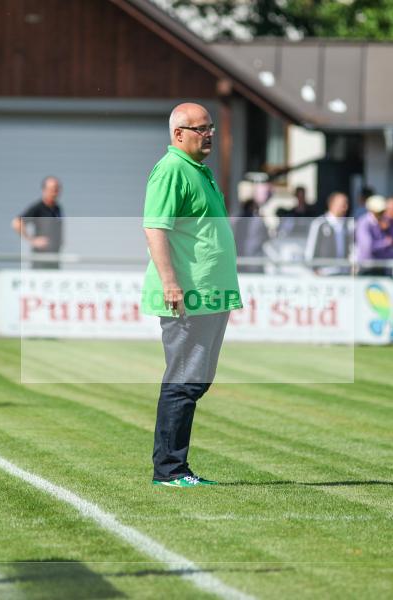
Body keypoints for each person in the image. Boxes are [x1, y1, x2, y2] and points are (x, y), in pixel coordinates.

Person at [142, 102, 241, 488]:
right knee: (184, 381)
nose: (209, 134)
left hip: (209, 294)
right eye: (201, 129)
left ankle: (173, 467)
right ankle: (169, 470)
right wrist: (170, 282)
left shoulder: (198, 170)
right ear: (178, 134)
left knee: (195, 380)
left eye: (211, 127)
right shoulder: (172, 169)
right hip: (188, 296)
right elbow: (155, 227)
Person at [12, 176, 63, 269]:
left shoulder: (57, 208)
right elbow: (16, 223)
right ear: (44, 190)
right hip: (40, 260)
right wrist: (32, 240)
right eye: (52, 189)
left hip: (55, 258)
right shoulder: (38, 208)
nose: (55, 192)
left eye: (57, 189)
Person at [305, 191, 353, 275]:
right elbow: (311, 248)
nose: (346, 207)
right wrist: (314, 268)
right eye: (342, 204)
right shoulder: (319, 223)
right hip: (325, 272)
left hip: (343, 273)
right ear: (332, 205)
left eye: (346, 204)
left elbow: (352, 248)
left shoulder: (348, 225)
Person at [355, 195, 393, 274]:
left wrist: (388, 230)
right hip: (367, 267)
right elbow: (367, 247)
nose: (382, 214)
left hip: (382, 267)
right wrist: (385, 243)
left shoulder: (385, 222)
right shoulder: (364, 223)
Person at [232, 198, 269, 273]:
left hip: (239, 256)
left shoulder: (235, 220)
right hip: (254, 257)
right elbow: (266, 237)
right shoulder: (258, 221)